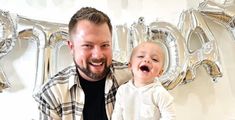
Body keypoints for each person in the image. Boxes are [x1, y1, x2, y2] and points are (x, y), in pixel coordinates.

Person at [33, 7, 131, 120]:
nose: (98, 55)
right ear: (71, 47)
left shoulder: (132, 77)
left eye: (105, 45)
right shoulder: (52, 93)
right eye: (87, 46)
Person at [112, 41, 176, 120]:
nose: (147, 60)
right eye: (141, 56)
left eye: (154, 59)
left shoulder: (160, 94)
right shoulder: (122, 90)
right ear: (130, 65)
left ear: (160, 72)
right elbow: (117, 116)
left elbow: (170, 117)